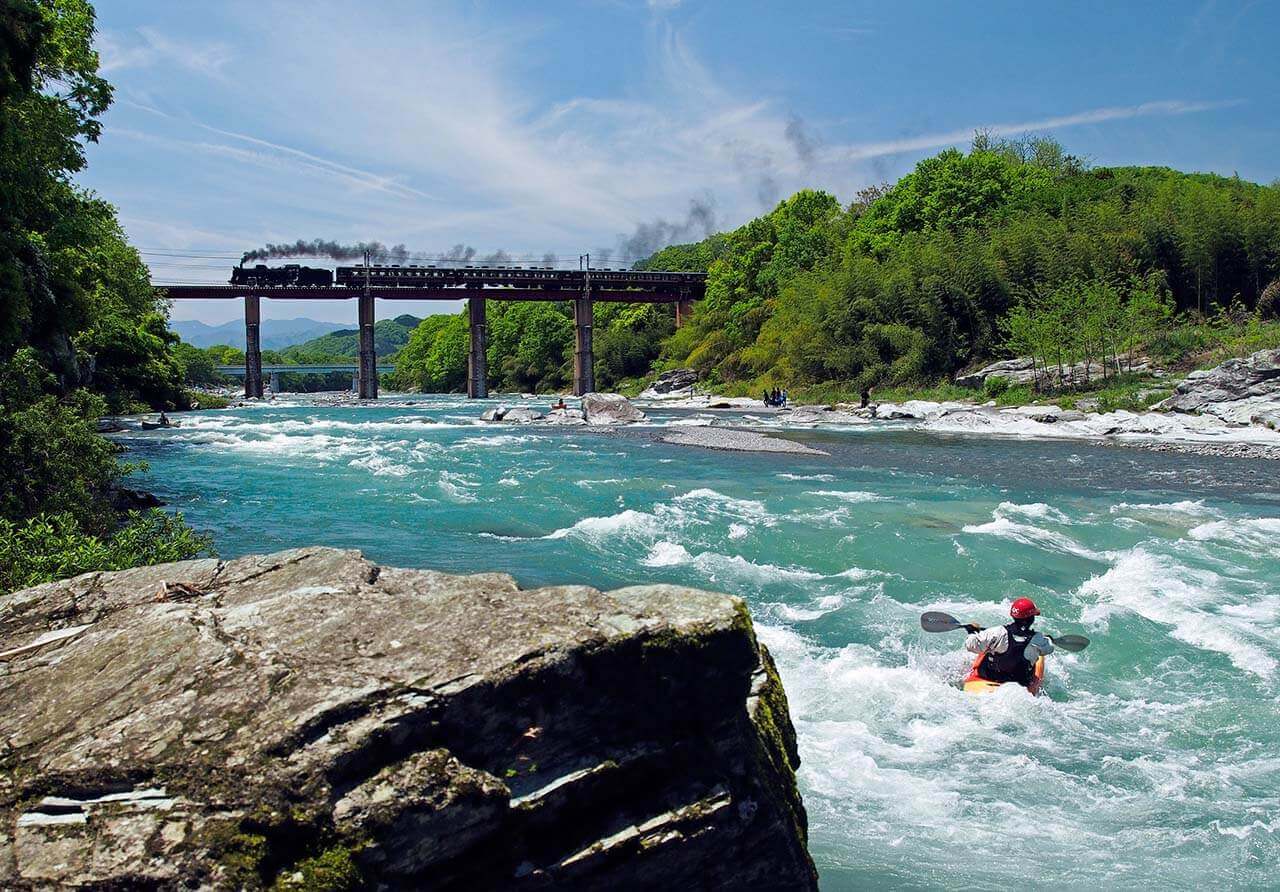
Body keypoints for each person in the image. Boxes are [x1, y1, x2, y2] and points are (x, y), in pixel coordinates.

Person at [964, 597, 1054, 687]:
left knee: (989, 651)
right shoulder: (1038, 639)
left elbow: (970, 645)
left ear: (1013, 616)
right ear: (1031, 619)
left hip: (992, 676)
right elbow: (1049, 648)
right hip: (1019, 683)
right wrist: (1048, 639)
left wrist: (972, 632)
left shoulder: (998, 632)